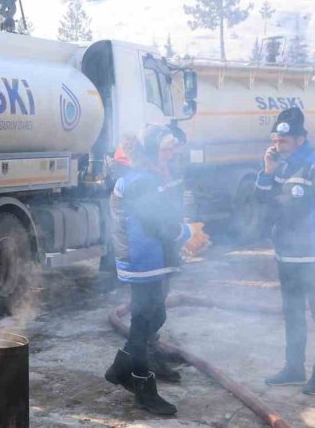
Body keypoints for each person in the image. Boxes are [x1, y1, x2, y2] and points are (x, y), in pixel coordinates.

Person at [255, 107, 315, 395]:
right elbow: (263, 205)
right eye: (276, 142)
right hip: (287, 256)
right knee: (292, 313)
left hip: (314, 258)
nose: (277, 146)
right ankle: (294, 368)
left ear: (301, 139)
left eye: (284, 142)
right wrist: (267, 173)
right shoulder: (280, 166)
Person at [104, 125, 191, 416]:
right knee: (143, 322)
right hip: (143, 260)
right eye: (166, 149)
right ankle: (142, 388)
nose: (171, 153)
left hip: (154, 257)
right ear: (152, 150)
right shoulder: (140, 180)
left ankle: (120, 368)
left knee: (155, 315)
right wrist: (186, 232)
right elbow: (156, 223)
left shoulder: (151, 175)